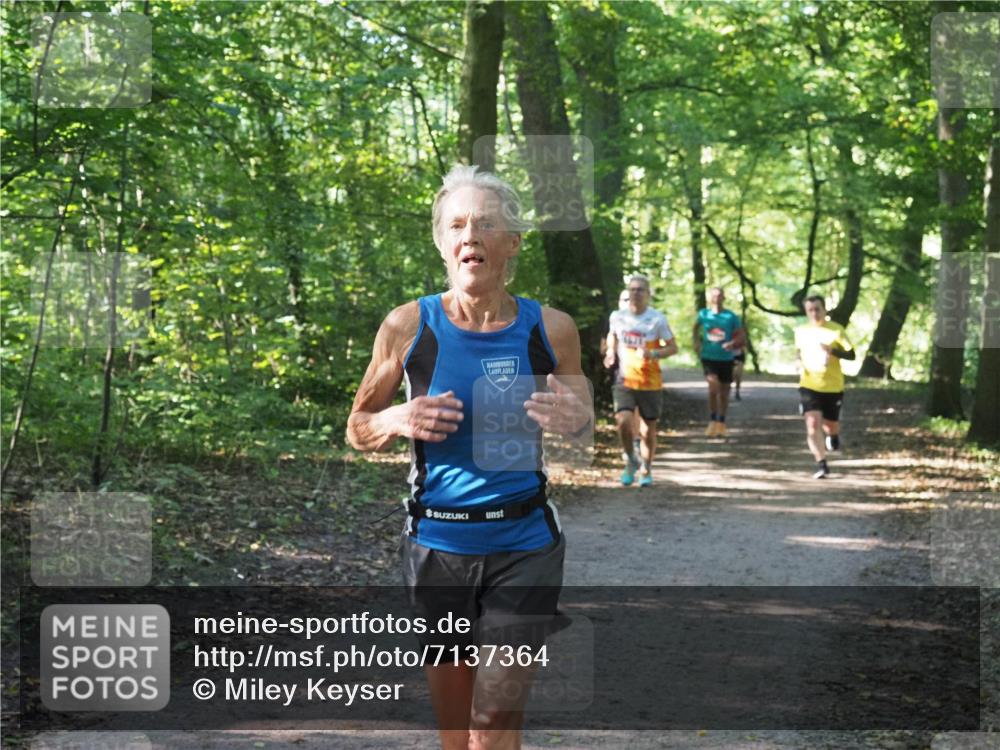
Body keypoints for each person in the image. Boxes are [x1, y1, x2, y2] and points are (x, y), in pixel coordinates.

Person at [346, 165, 591, 750]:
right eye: (456, 224)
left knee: (492, 720)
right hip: (438, 549)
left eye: (485, 223)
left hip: (524, 544)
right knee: (459, 731)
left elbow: (581, 409)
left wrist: (574, 417)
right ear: (441, 243)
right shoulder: (408, 326)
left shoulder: (550, 329)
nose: (470, 235)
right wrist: (394, 418)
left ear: (512, 242)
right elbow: (357, 426)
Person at [603, 274, 677, 486]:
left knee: (647, 429)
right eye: (633, 289)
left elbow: (673, 347)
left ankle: (647, 468)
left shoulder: (657, 319)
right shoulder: (617, 316)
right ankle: (631, 460)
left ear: (648, 294)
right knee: (623, 421)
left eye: (640, 290)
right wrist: (610, 351)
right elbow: (613, 335)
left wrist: (653, 354)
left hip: (649, 381)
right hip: (624, 378)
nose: (636, 293)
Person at [795, 295, 855, 479]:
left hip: (832, 386)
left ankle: (834, 436)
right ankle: (821, 463)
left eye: (817, 309)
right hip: (808, 384)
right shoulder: (801, 331)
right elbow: (799, 352)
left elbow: (851, 355)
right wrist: (797, 362)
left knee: (830, 425)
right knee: (812, 424)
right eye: (810, 310)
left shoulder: (836, 330)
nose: (814, 313)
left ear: (825, 309)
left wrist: (833, 351)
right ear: (806, 312)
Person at [693, 287, 745, 437]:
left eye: (720, 295)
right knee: (712, 387)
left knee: (724, 392)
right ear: (709, 298)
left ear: (724, 298)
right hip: (708, 356)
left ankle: (721, 423)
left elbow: (741, 336)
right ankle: (712, 421)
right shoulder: (704, 314)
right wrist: (696, 342)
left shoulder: (731, 317)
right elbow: (695, 328)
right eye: (714, 295)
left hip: (726, 358)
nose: (717, 298)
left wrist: (733, 343)